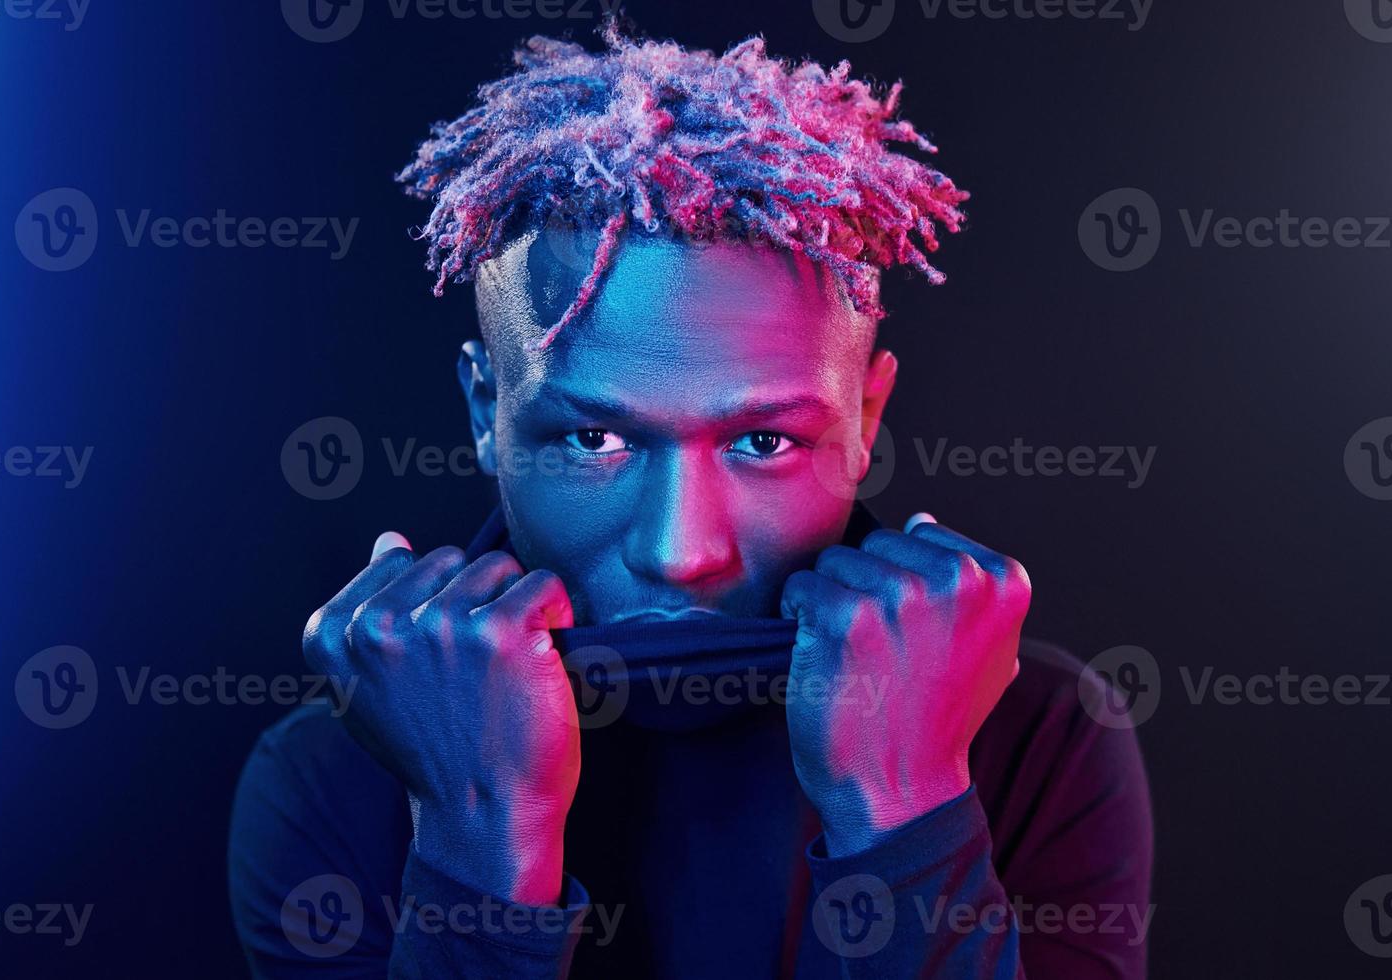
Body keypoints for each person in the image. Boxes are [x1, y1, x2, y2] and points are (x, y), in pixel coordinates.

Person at [229, 24, 1152, 978]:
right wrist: (476, 843)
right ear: (485, 410)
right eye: (596, 439)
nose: (680, 553)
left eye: (765, 442)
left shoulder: (1040, 733)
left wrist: (909, 816)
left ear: (865, 416)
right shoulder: (323, 784)